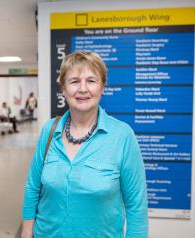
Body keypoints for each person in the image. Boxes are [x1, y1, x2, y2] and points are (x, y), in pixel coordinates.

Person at [21, 51, 148, 237]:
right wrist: (26, 232)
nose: (82, 89)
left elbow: (136, 205)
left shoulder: (122, 136)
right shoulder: (49, 130)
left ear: (102, 87)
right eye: (74, 81)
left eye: (91, 81)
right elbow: (33, 186)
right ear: (63, 89)